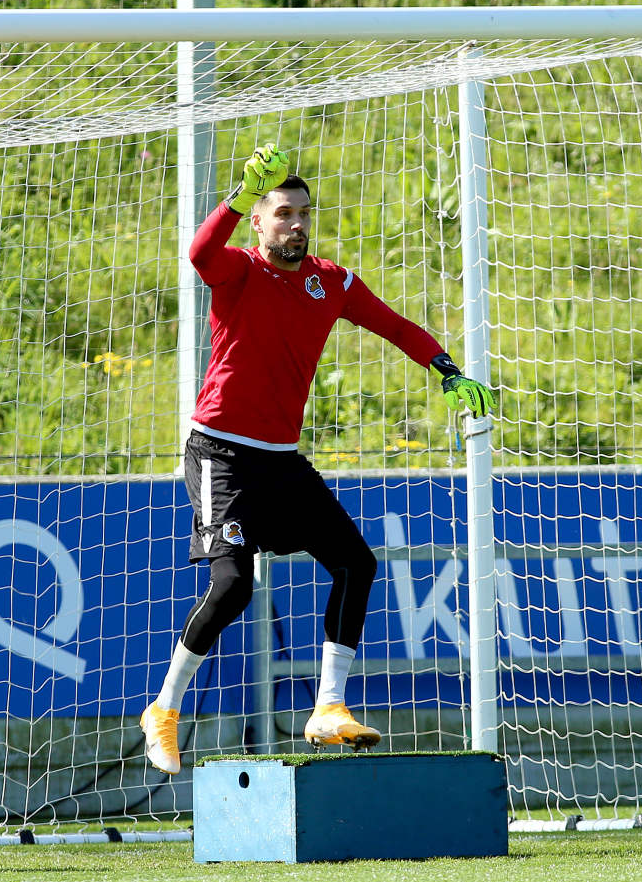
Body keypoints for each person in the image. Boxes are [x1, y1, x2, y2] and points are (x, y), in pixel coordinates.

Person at [140, 144, 495, 775]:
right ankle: (163, 709)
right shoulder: (240, 271)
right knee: (232, 585)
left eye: (304, 213)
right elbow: (198, 255)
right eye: (282, 213)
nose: (297, 224)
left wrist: (447, 370)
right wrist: (237, 196)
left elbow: (395, 326)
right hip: (220, 452)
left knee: (356, 563)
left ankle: (329, 707)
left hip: (280, 460)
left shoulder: (330, 282)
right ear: (259, 220)